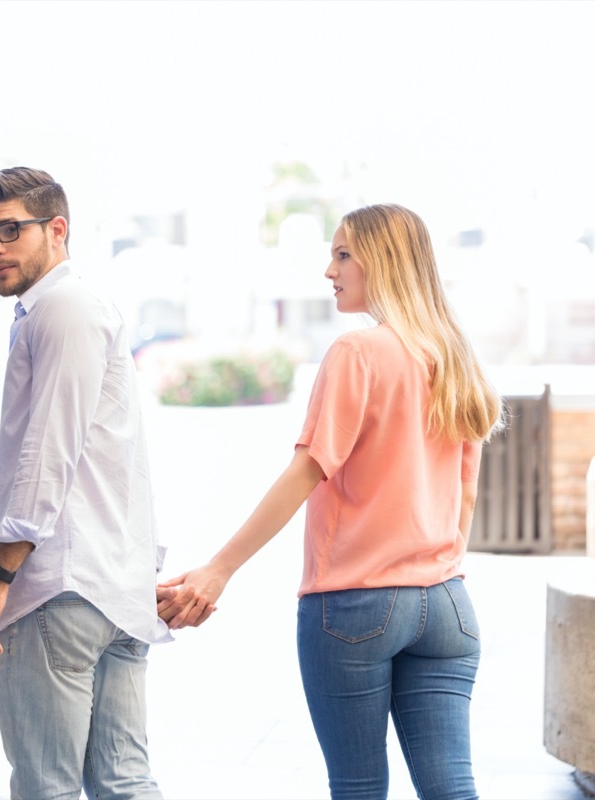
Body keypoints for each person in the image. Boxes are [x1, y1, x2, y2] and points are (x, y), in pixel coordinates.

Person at [157, 204, 504, 800]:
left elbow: (307, 472)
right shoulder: (453, 355)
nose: (329, 270)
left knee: (359, 787)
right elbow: (465, 493)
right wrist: (432, 570)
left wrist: (219, 569)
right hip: (448, 604)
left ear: (385, 263)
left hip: (355, 607)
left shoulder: (358, 353)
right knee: (452, 788)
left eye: (343, 254)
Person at [0, 167, 172, 800]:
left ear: (57, 229)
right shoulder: (73, 308)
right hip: (111, 591)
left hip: (63, 592)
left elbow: (48, 452)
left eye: (9, 230)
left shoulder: (63, 306)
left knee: (48, 788)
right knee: (123, 784)